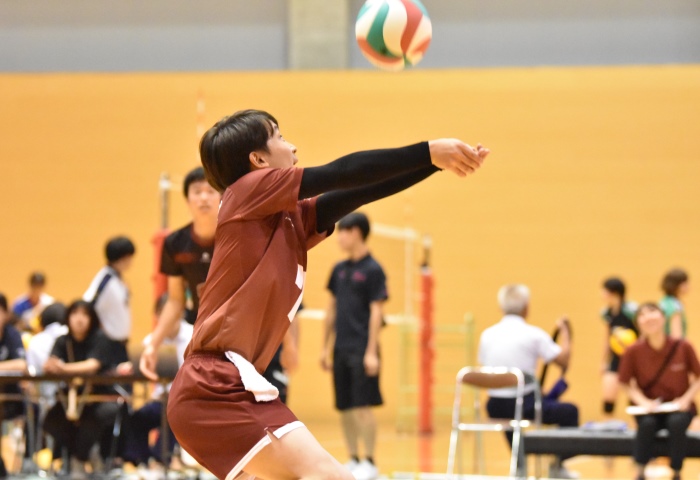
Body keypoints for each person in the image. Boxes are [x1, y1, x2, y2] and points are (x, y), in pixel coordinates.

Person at [155, 109, 488, 480]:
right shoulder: (245, 191)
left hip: (221, 385)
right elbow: (342, 172)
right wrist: (427, 150)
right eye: (280, 137)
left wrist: (434, 164)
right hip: (215, 386)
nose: (292, 146)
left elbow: (357, 190)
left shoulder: (287, 218)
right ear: (258, 160)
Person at [478, 284, 579, 479]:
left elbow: (484, 367)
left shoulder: (486, 335)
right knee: (570, 412)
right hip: (525, 405)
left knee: (511, 414)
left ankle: (520, 463)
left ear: (501, 308)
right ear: (526, 308)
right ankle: (557, 464)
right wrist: (566, 334)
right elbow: (564, 361)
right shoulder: (534, 334)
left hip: (494, 406)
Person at [321, 212, 387, 480]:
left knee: (362, 406)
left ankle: (370, 461)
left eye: (343, 232)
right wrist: (324, 348)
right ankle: (353, 457)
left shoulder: (373, 270)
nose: (339, 237)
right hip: (341, 348)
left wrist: (371, 352)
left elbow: (377, 312)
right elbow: (331, 310)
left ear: (357, 232)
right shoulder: (338, 270)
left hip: (362, 349)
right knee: (345, 407)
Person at [42, 300, 133, 473]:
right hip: (72, 398)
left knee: (96, 418)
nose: (79, 319)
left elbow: (92, 365)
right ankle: (82, 455)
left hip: (100, 396)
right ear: (68, 317)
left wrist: (63, 368)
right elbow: (51, 363)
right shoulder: (63, 341)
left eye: (85, 314)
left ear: (92, 318)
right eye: (75, 314)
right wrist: (50, 366)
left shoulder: (100, 338)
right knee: (51, 421)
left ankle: (80, 458)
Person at [618, 302, 700, 480]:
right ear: (638, 324)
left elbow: (698, 377)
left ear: (663, 318)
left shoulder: (683, 346)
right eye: (642, 315)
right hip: (648, 408)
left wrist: (686, 399)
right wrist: (643, 402)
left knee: (677, 422)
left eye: (652, 312)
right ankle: (640, 471)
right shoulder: (633, 351)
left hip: (679, 407)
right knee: (647, 424)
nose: (648, 317)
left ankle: (676, 472)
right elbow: (624, 382)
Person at [83, 236, 136, 364]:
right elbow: (87, 305)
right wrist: (99, 332)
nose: (131, 261)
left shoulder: (117, 279)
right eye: (129, 257)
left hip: (120, 344)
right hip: (108, 346)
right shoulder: (106, 279)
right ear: (122, 257)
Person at [0, 292, 29, 477]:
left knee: (33, 409)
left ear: (6, 313)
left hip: (11, 400)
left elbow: (21, 364)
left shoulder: (12, 334)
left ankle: (26, 461)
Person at [600, 277, 637, 417]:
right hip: (616, 358)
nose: (602, 294)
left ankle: (636, 425)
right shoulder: (607, 313)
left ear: (614, 292)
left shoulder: (631, 310)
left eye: (604, 290)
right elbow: (607, 339)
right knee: (608, 394)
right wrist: (603, 361)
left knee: (634, 397)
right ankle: (607, 425)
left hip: (633, 360)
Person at [26, 302, 68, 401]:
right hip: (73, 394)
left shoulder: (35, 341)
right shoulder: (72, 335)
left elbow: (32, 372)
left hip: (46, 398)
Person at [659, 268, 690, 339]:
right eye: (685, 283)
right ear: (676, 285)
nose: (688, 286)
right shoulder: (674, 305)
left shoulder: (665, 301)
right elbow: (677, 336)